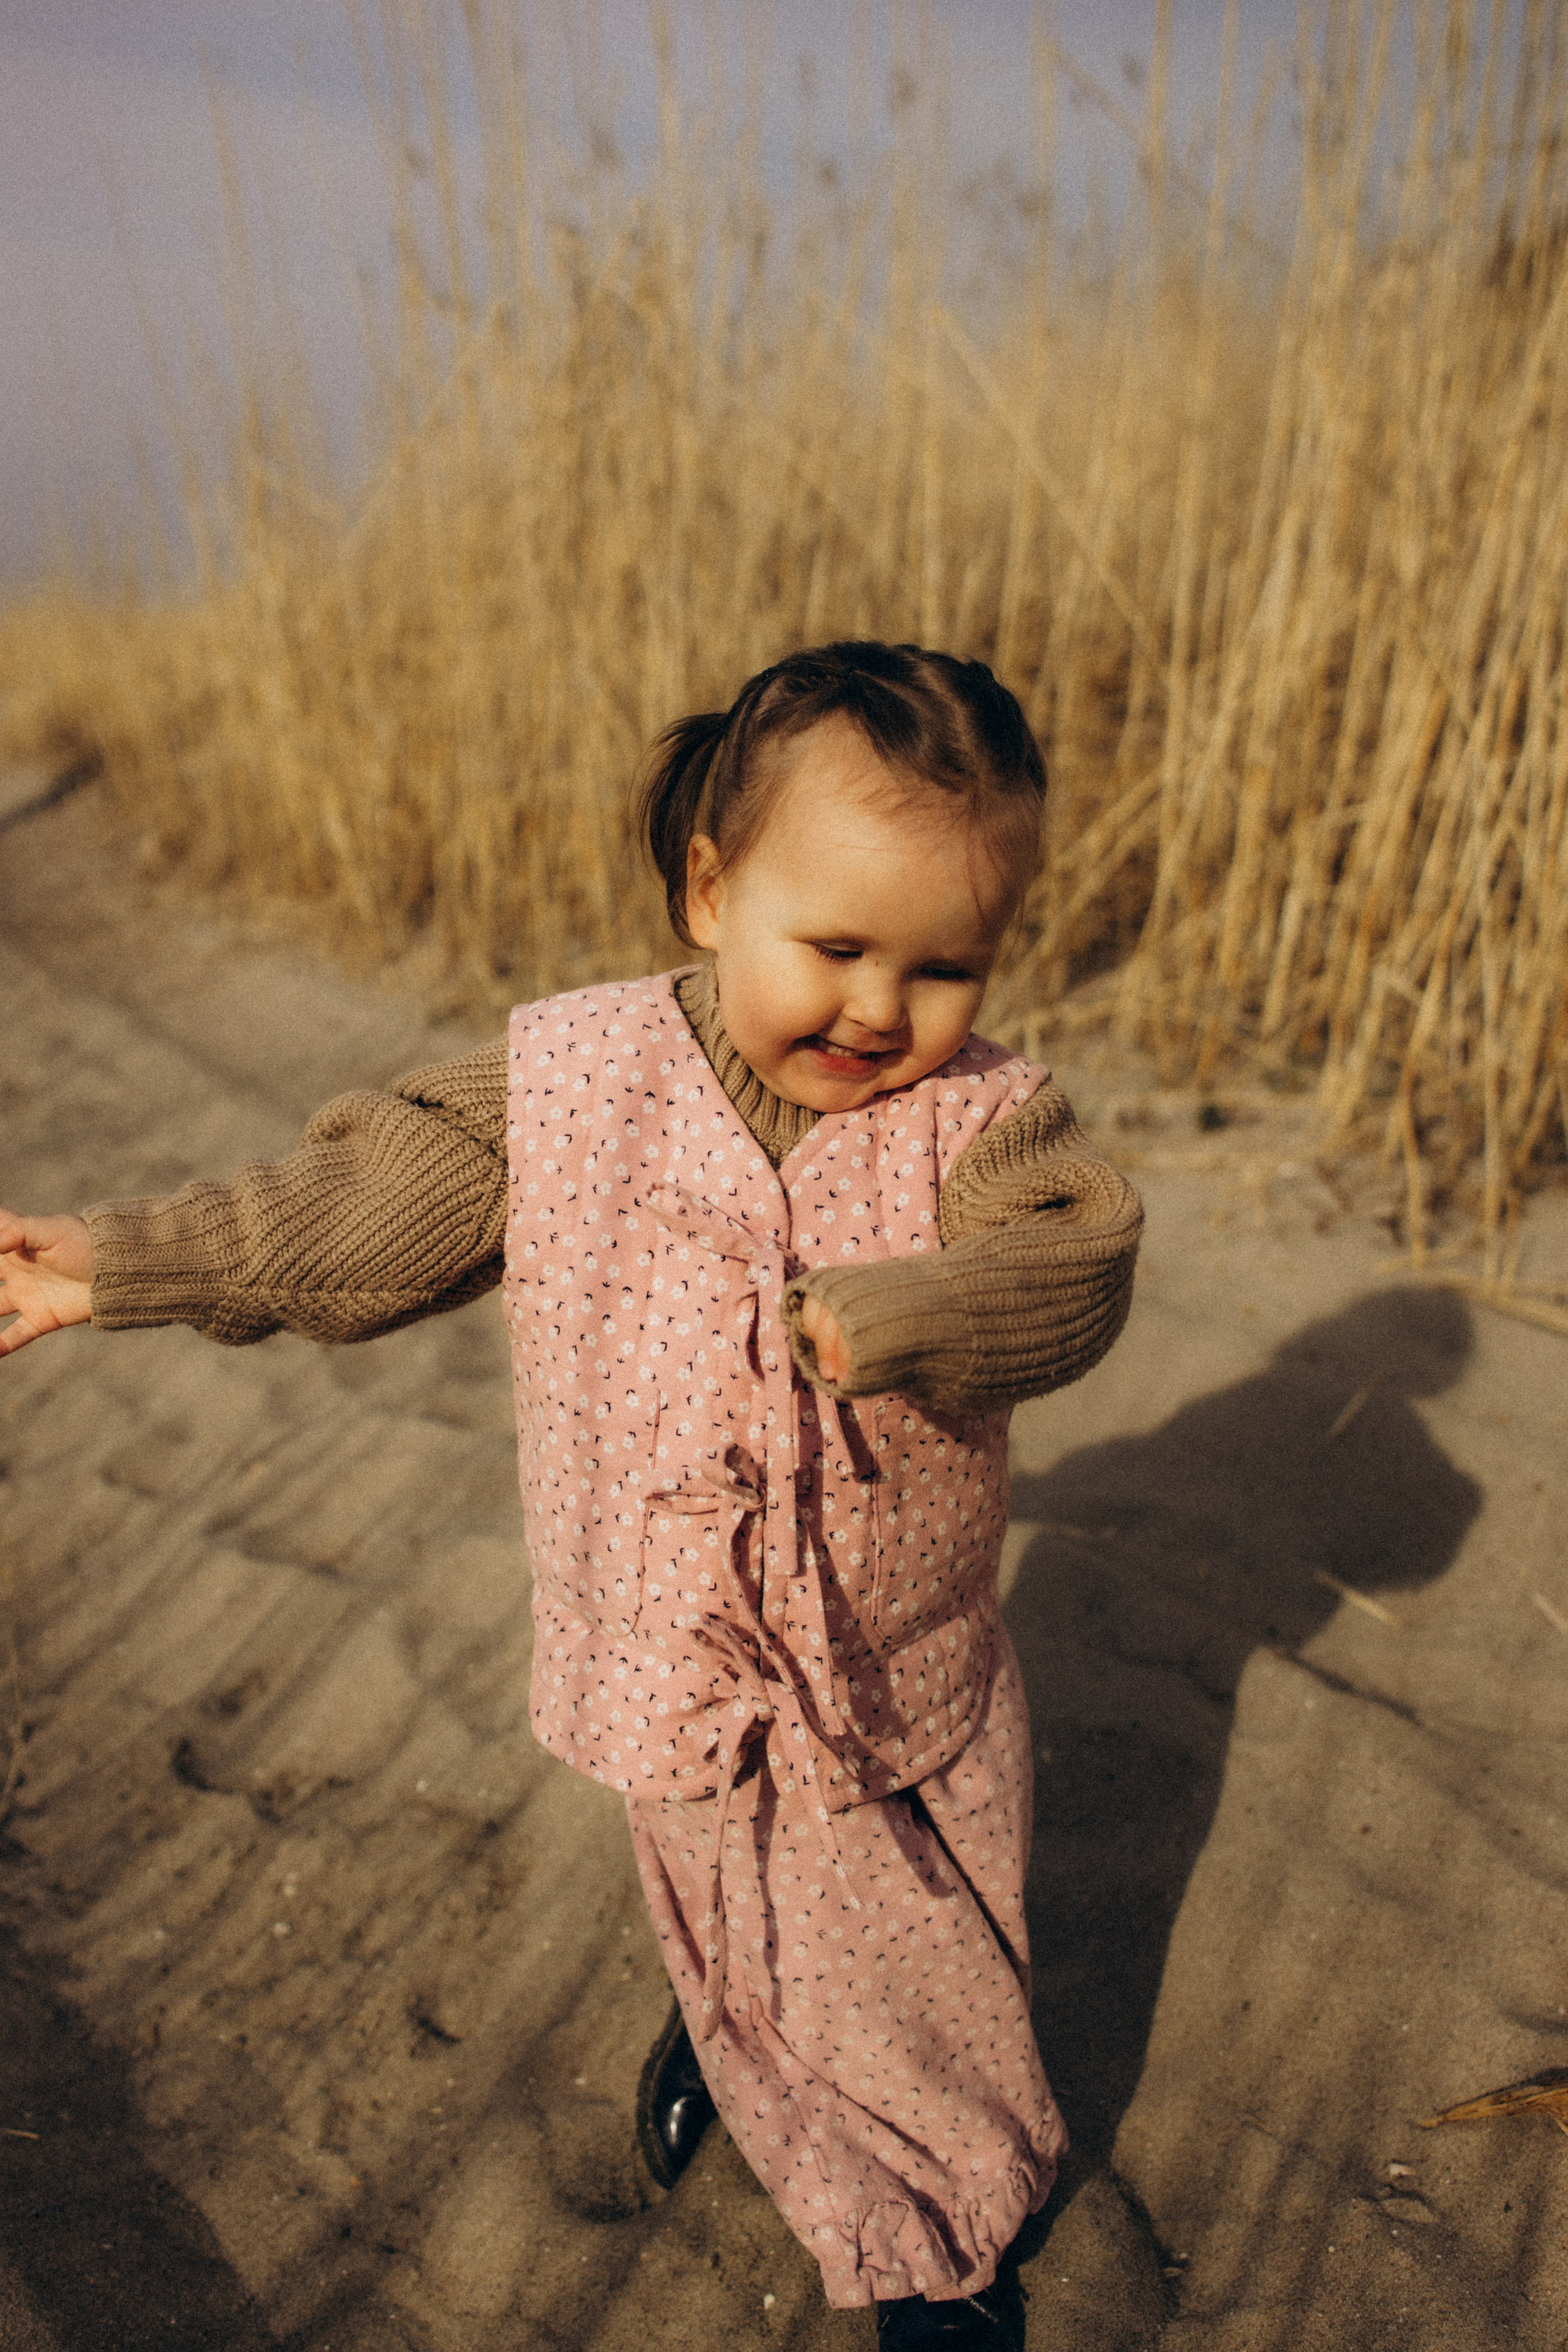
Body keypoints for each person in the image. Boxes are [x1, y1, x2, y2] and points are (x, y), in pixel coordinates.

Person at [0, 641, 1142, 2349]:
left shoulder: (987, 1127)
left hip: (896, 1652)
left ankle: (854, 2134)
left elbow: (1076, 1271)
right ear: (709, 890)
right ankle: (912, 2236)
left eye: (945, 966)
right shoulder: (572, 1088)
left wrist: (914, 1313)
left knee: (931, 1940)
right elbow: (354, 1213)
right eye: (833, 948)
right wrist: (121, 1264)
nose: (878, 1010)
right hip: (677, 1645)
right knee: (771, 1918)